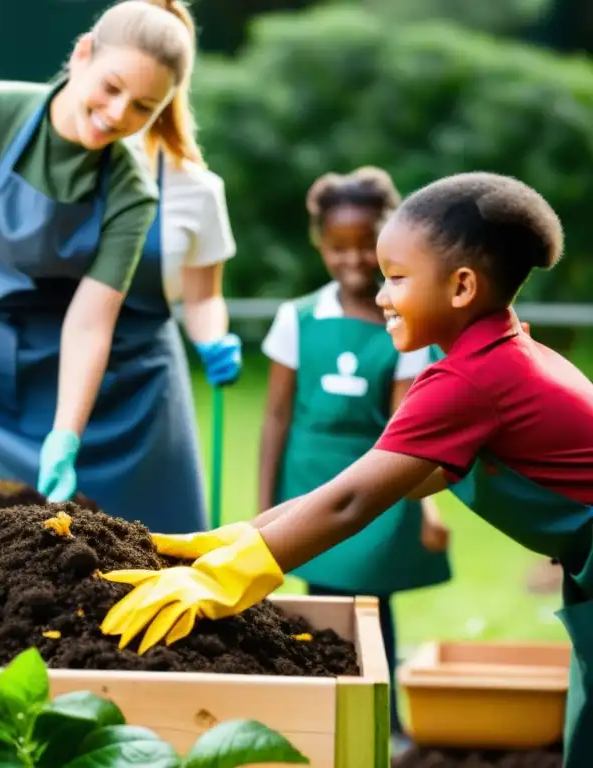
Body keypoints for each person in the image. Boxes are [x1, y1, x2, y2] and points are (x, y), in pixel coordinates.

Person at [98, 172, 593, 767]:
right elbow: (369, 482)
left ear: (461, 286)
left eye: (398, 278)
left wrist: (225, 579)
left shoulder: (468, 382)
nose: (382, 294)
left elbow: (350, 503)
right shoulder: (501, 355)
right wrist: (235, 539)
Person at [0, 0, 235, 542]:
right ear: (83, 53)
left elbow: (90, 321)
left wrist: (66, 434)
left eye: (142, 108)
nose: (116, 115)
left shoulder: (133, 191)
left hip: (68, 371)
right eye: (111, 88)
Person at [257, 167, 451, 736]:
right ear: (321, 245)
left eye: (367, 245)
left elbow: (406, 424)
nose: (354, 260)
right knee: (323, 599)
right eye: (338, 248)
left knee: (371, 601)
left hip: (380, 481)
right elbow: (274, 416)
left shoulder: (406, 324)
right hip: (310, 479)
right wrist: (265, 505)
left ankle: (381, 722)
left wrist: (430, 508)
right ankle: (328, 717)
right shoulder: (297, 318)